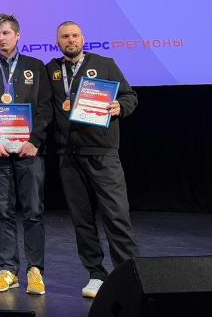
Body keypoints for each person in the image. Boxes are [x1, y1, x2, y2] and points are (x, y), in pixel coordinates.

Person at [46, 21, 139, 299]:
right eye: (65, 37)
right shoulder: (51, 70)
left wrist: (120, 106)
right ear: (58, 42)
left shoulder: (105, 64)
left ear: (83, 39)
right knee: (82, 219)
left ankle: (129, 274)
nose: (70, 40)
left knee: (116, 216)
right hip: (68, 156)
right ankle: (96, 274)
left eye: (75, 35)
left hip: (102, 152)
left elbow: (129, 96)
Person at [0, 14, 53, 295]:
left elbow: (45, 107)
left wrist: (35, 141)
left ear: (17, 35)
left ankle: (35, 270)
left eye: (6, 33)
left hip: (30, 151)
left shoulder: (35, 66)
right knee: (3, 212)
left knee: (33, 211)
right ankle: (8, 270)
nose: (1, 38)